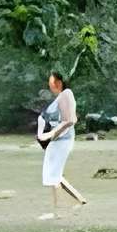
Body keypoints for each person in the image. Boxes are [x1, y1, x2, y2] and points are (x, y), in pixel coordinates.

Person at [35, 72, 90, 218]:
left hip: (61, 142)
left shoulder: (66, 94)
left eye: (52, 82)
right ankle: (80, 200)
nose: (50, 85)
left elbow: (70, 119)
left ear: (59, 82)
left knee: (52, 177)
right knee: (54, 175)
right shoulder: (61, 97)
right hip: (56, 142)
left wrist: (51, 134)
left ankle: (56, 212)